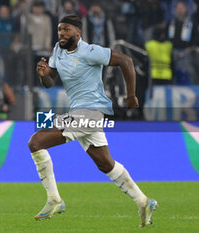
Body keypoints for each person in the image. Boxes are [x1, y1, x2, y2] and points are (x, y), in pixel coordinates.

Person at [28, 15, 157, 227]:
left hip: (92, 112)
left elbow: (126, 60)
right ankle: (143, 201)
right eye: (60, 30)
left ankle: (54, 199)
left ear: (78, 33)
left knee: (36, 142)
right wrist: (43, 74)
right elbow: (50, 82)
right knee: (105, 164)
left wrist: (131, 95)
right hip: (80, 113)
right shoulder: (58, 50)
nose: (61, 33)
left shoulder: (90, 51)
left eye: (66, 30)